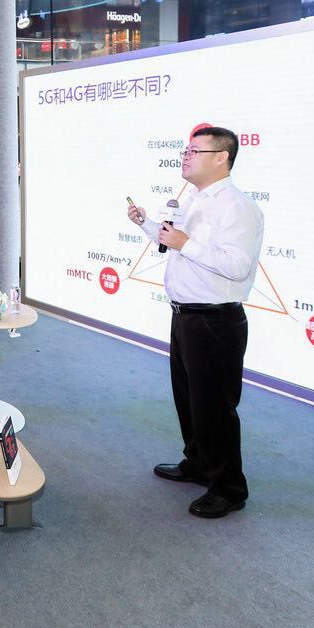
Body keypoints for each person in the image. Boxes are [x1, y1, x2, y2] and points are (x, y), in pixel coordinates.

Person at [127, 126, 264, 519]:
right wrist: (147, 225)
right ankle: (199, 463)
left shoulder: (237, 206)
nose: (185, 156)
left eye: (194, 151)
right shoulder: (195, 199)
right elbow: (175, 242)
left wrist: (184, 242)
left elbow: (237, 266)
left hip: (215, 321)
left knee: (215, 407)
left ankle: (229, 488)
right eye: (185, 151)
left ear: (221, 157)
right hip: (186, 316)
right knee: (189, 400)